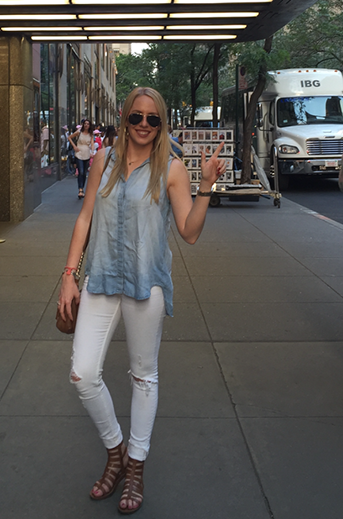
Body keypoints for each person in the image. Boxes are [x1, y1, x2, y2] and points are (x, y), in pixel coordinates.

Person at [58, 87, 225, 514]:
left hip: (145, 283)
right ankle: (116, 450)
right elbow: (85, 217)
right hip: (101, 279)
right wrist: (68, 276)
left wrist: (205, 186)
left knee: (143, 377)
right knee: (82, 373)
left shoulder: (170, 168)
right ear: (124, 117)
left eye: (153, 119)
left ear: (161, 121)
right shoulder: (103, 161)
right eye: (137, 118)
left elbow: (189, 231)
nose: (145, 126)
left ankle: (135, 466)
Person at [68, 119, 94, 198]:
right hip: (79, 153)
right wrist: (74, 146)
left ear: (89, 126)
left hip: (87, 153)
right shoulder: (79, 132)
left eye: (88, 124)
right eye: (85, 123)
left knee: (84, 172)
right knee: (81, 171)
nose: (86, 125)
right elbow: (69, 137)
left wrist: (92, 152)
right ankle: (80, 190)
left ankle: (82, 188)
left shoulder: (91, 134)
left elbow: (92, 144)